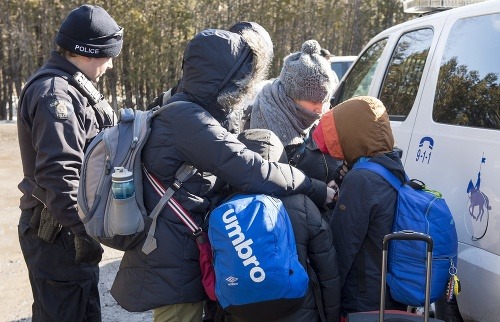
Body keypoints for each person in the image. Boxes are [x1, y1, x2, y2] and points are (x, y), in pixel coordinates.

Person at [110, 26, 336, 321]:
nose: (244, 87)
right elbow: (251, 169)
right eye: (241, 78)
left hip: (177, 249)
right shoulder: (188, 119)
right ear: (224, 78)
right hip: (173, 259)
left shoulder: (186, 110)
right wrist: (315, 187)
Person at [16, 4, 123, 321]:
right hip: (59, 235)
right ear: (88, 52)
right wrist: (83, 232)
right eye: (108, 54)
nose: (111, 64)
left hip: (65, 232)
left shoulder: (71, 87)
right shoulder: (56, 95)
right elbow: (61, 177)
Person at [222, 128, 341, 322]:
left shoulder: (225, 207)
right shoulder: (302, 204)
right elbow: (327, 269)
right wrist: (332, 315)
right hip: (300, 311)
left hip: (241, 314)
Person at [312, 96, 407, 320]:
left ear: (352, 134)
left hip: (363, 303)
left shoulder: (361, 179)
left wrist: (327, 307)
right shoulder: (391, 167)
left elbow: (340, 248)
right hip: (390, 295)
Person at [249, 39, 341, 185]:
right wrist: (319, 191)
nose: (320, 108)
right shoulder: (266, 114)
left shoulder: (322, 113)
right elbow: (271, 177)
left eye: (324, 101)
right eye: (314, 101)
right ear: (292, 96)